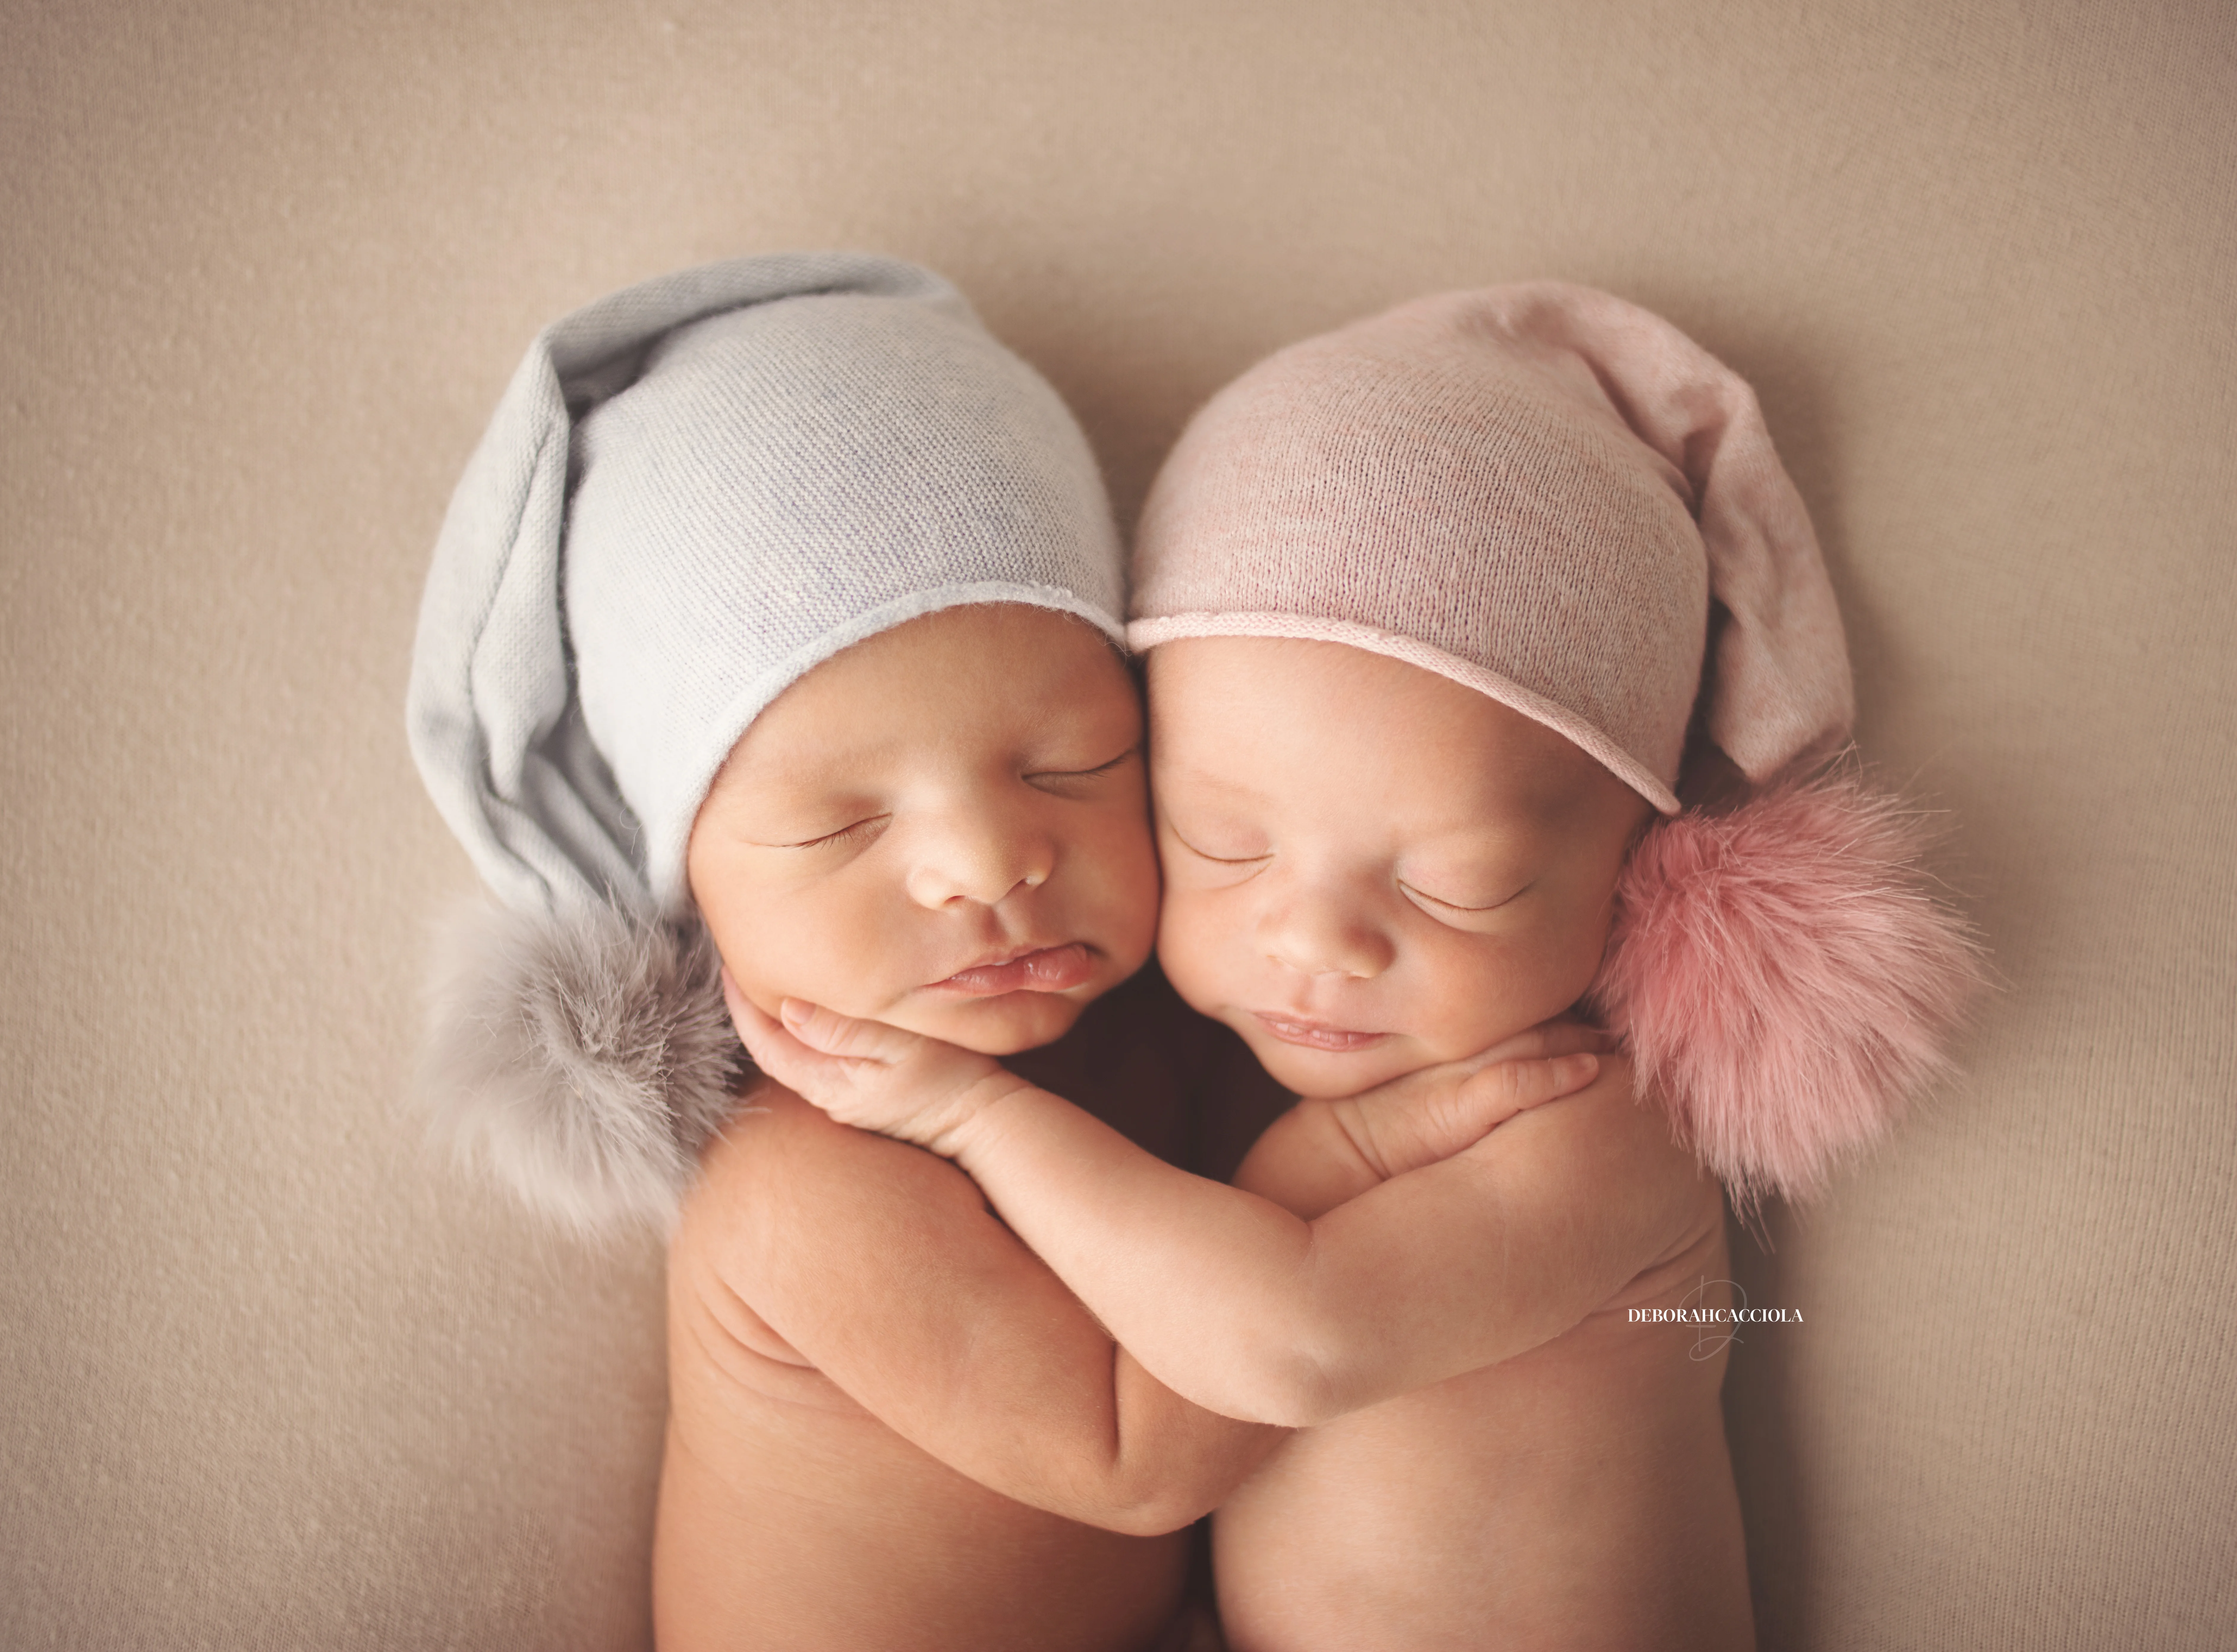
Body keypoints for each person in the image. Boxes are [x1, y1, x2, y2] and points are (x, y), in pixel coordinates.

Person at [747, 282, 1983, 1651]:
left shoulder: (1581, 1125)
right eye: (1222, 845)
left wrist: (973, 1114)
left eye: (1459, 880)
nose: (1316, 942)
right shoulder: (1207, 1068)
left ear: (1644, 854)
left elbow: (1288, 1339)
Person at [405, 256, 1616, 1651]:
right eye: (840, 823)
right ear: (682, 885)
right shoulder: (799, 1180)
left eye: (1072, 761)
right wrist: (1344, 1159)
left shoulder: (1183, 1032)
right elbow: (1135, 1456)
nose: (990, 863)